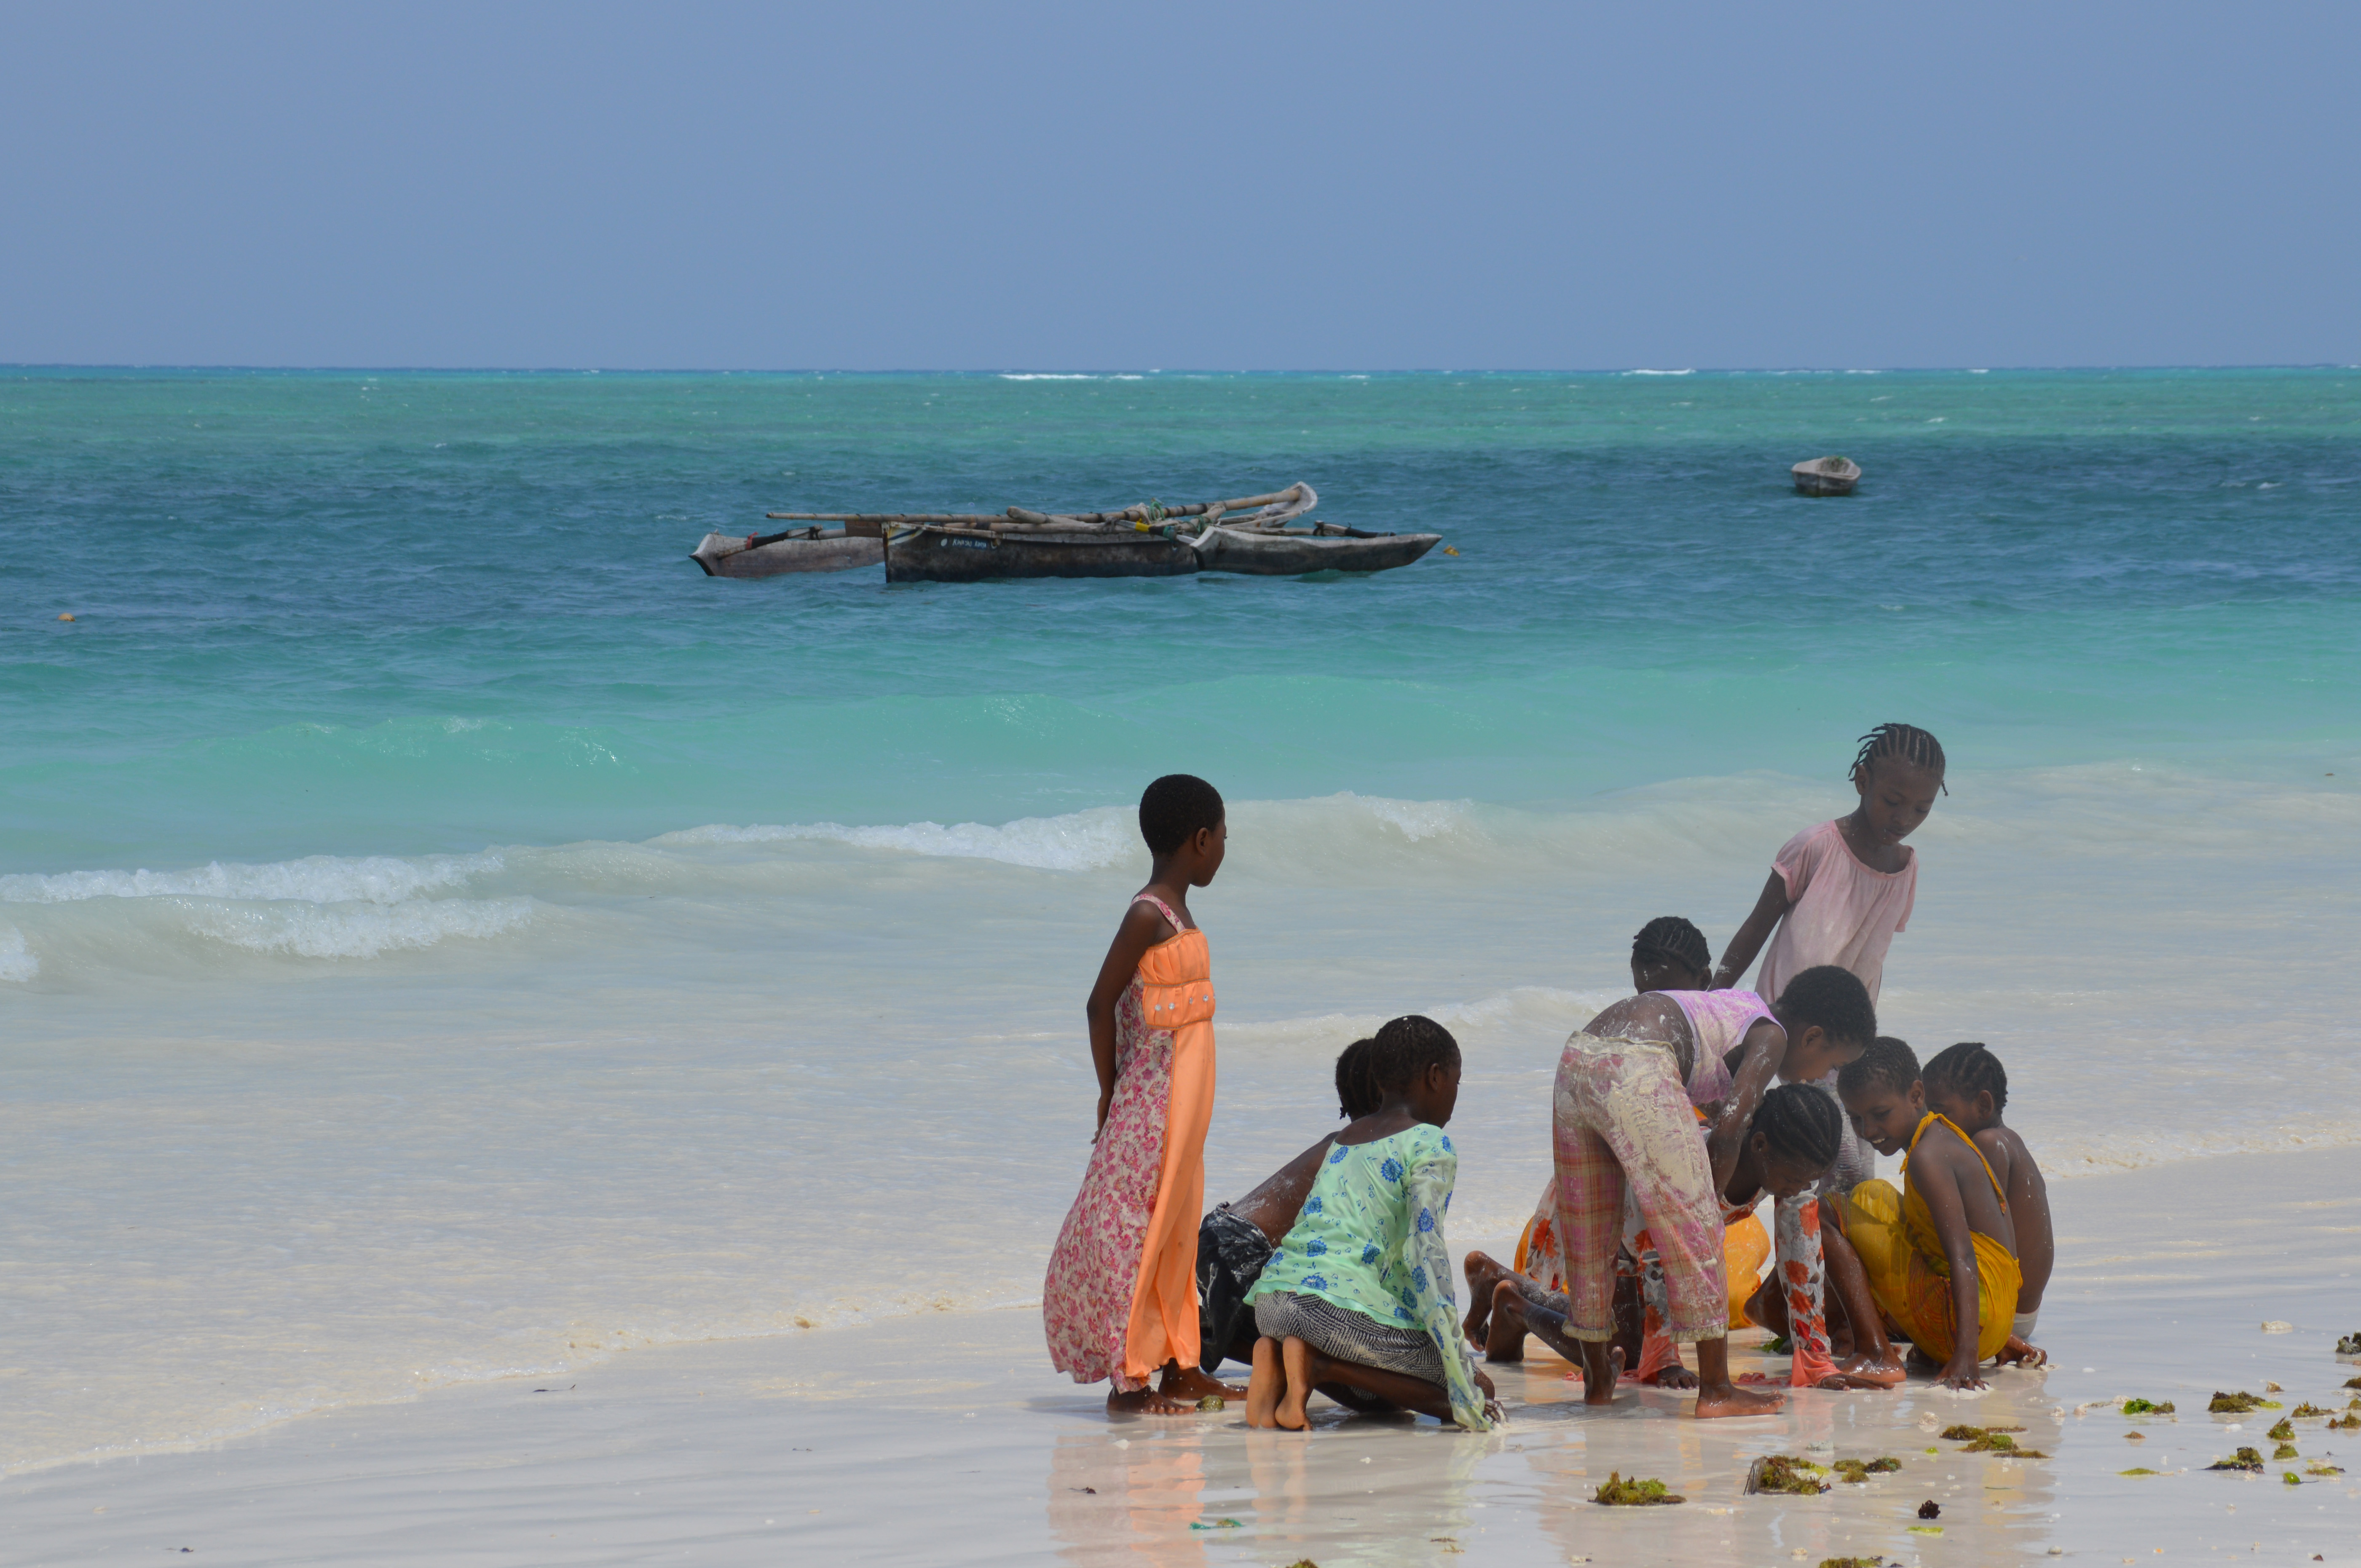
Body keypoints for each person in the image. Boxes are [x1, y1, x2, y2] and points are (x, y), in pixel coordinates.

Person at [1549, 963, 1876, 1418]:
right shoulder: (1771, 1035)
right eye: (1833, 1062)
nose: (1825, 1075)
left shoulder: (1733, 1013)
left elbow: (1707, 1098)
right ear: (1811, 1037)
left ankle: (1597, 1377)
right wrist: (1707, 1212)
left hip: (1578, 1059)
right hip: (1639, 1061)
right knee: (1696, 1231)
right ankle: (1717, 1389)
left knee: (1591, 1238)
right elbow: (1728, 1129)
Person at [1042, 774, 1231, 1415]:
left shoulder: (1176, 910)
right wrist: (1107, 1091)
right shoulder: (1147, 913)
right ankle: (1129, 1383)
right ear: (1199, 840)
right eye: (1223, 836)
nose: (1225, 848)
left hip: (1183, 1107)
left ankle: (1179, 1365)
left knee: (1176, 1229)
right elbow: (1100, 1004)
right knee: (1138, 1232)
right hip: (1152, 1107)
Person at [1468, 1083, 1847, 1374]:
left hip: (1647, 1230)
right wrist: (1664, 1357)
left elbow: (1801, 1258)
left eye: (1809, 1180)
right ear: (1760, 1145)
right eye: (1796, 1178)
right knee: (1623, 1354)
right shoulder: (1693, 1162)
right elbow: (1656, 1250)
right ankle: (1515, 1302)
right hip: (1602, 1201)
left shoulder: (1791, 1167)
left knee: (1630, 1348)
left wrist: (1814, 1358)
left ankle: (1497, 1280)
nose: (1800, 1187)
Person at [1243, 1016, 1497, 1432]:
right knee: (1477, 1390)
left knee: (1381, 1404)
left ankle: (1279, 1360)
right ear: (1435, 1078)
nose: (1454, 1094)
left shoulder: (1346, 1138)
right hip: (1326, 1310)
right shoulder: (1431, 1143)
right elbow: (1424, 1254)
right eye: (1456, 1081)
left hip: (1271, 1301)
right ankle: (1315, 1363)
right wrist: (1458, 1371)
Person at [1836, 1037, 2025, 1390]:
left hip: (1966, 1332)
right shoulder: (1944, 1137)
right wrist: (1997, 1337)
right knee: (1872, 1195)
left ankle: (1875, 1350)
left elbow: (1963, 1256)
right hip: (1994, 1323)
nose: (1868, 1131)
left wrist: (1967, 1356)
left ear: (1916, 1095)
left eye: (1880, 1114)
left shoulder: (1926, 1157)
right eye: (1855, 1118)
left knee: (1827, 1213)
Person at [1195, 1039, 1382, 1375]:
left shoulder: (1339, 1137)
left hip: (1222, 1232)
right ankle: (1178, 1335)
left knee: (1268, 1335)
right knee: (1288, 1346)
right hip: (1242, 1248)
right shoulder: (1362, 1148)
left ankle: (1188, 1327)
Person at [1919, 1041, 2050, 1361]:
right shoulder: (2009, 1141)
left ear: (1982, 1105)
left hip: (2001, 1314)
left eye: (1941, 1112)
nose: (1933, 1123)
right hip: (2020, 1312)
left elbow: (1979, 1243)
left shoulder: (1987, 1144)